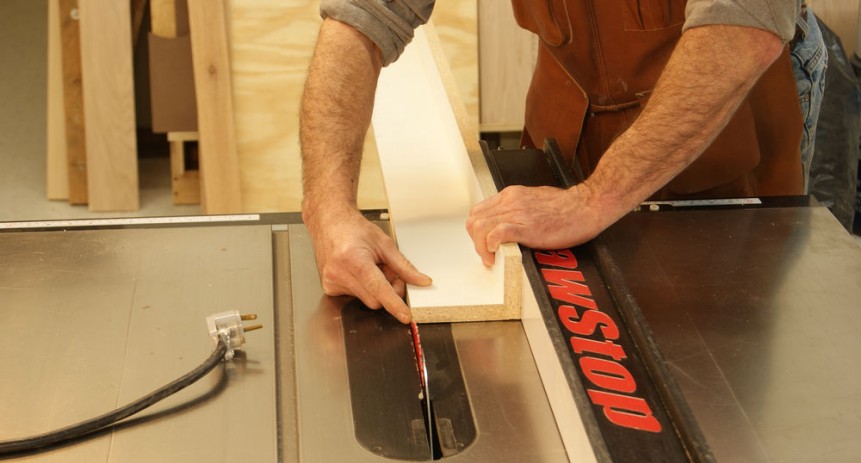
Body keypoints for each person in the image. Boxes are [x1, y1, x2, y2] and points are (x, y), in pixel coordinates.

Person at [300, 0, 826, 324]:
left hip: (722, 118)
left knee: (716, 359)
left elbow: (743, 24)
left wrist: (595, 199)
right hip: (571, 115)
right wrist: (327, 210)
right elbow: (362, 17)